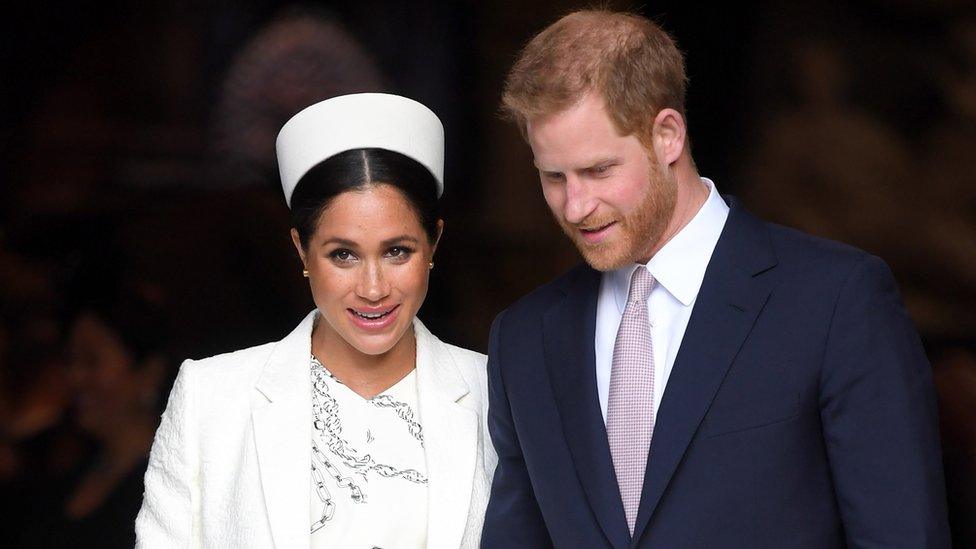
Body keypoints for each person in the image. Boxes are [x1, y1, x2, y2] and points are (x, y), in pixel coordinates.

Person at [481, 10, 950, 548]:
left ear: (667, 136)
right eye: (553, 177)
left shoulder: (836, 302)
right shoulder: (523, 339)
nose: (576, 205)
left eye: (598, 170)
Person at [136, 93, 496, 548]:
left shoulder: (494, 393)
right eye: (342, 254)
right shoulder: (212, 398)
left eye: (397, 251)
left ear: (434, 244)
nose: (372, 288)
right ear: (301, 250)